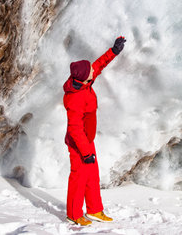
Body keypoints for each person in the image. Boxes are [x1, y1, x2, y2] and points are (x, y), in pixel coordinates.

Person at [63, 36, 126, 226]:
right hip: (78, 144)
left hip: (87, 140)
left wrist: (113, 51)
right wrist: (86, 152)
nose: (93, 69)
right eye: (90, 70)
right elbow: (74, 129)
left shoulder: (85, 81)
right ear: (84, 77)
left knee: (92, 176)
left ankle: (95, 210)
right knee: (79, 178)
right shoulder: (74, 98)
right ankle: (74, 214)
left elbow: (99, 65)